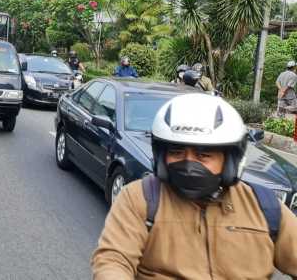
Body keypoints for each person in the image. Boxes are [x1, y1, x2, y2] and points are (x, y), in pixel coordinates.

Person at [92, 94, 297, 279]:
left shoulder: (265, 208)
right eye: (177, 152)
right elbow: (113, 261)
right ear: (161, 158)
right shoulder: (140, 198)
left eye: (203, 155)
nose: (189, 165)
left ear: (229, 161)